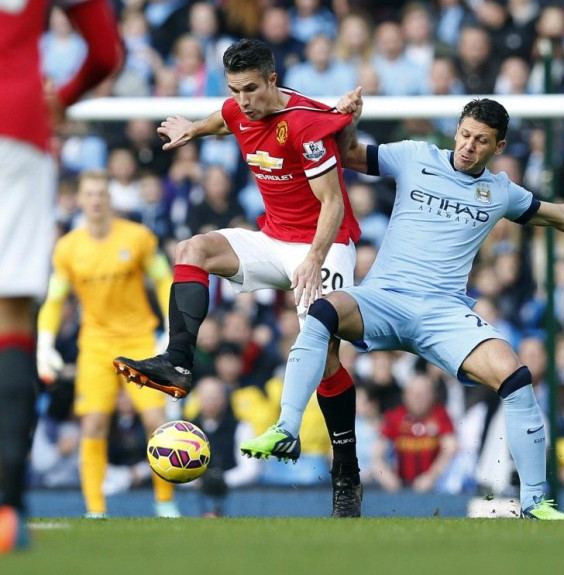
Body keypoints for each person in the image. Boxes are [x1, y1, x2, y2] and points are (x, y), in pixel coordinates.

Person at [240, 92, 564, 520]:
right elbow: (345, 154)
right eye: (464, 134)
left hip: (442, 314)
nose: (468, 146)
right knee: (323, 312)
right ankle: (286, 428)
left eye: (481, 141)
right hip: (385, 297)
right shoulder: (413, 156)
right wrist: (350, 120)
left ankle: (535, 501)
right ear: (455, 130)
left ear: (498, 147)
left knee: (516, 379)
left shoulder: (500, 192)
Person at [113, 38, 364, 518]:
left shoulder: (307, 126)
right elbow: (226, 118)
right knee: (192, 249)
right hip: (273, 240)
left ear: (273, 79)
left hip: (324, 244)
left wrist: (313, 258)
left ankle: (346, 474)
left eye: (251, 88)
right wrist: (193, 128)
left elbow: (332, 203)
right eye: (235, 89)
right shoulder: (238, 108)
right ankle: (178, 362)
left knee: (325, 354)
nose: (244, 100)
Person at [0, 0, 121, 553]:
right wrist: (61, 101)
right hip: (17, 126)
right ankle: (6, 507)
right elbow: (103, 52)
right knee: (12, 318)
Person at [37, 171, 179, 519]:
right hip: (96, 345)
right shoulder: (68, 248)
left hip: (139, 341)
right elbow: (55, 299)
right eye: (89, 193)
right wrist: (45, 343)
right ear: (80, 200)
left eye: (102, 193)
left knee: (155, 420)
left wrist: (173, 328)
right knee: (94, 424)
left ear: (110, 199)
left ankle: (165, 503)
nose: (96, 200)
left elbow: (164, 280)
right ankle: (96, 510)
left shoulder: (138, 237)